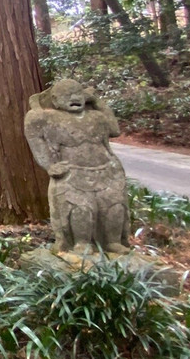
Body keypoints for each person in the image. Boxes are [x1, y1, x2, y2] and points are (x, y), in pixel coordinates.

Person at [24, 78, 130, 255]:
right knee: (80, 209)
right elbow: (36, 141)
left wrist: (97, 101)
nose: (74, 98)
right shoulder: (48, 118)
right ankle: (81, 243)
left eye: (78, 94)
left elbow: (114, 130)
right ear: (56, 101)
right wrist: (50, 165)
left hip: (107, 170)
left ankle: (113, 241)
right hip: (73, 172)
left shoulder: (96, 116)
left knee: (115, 207)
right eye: (67, 96)